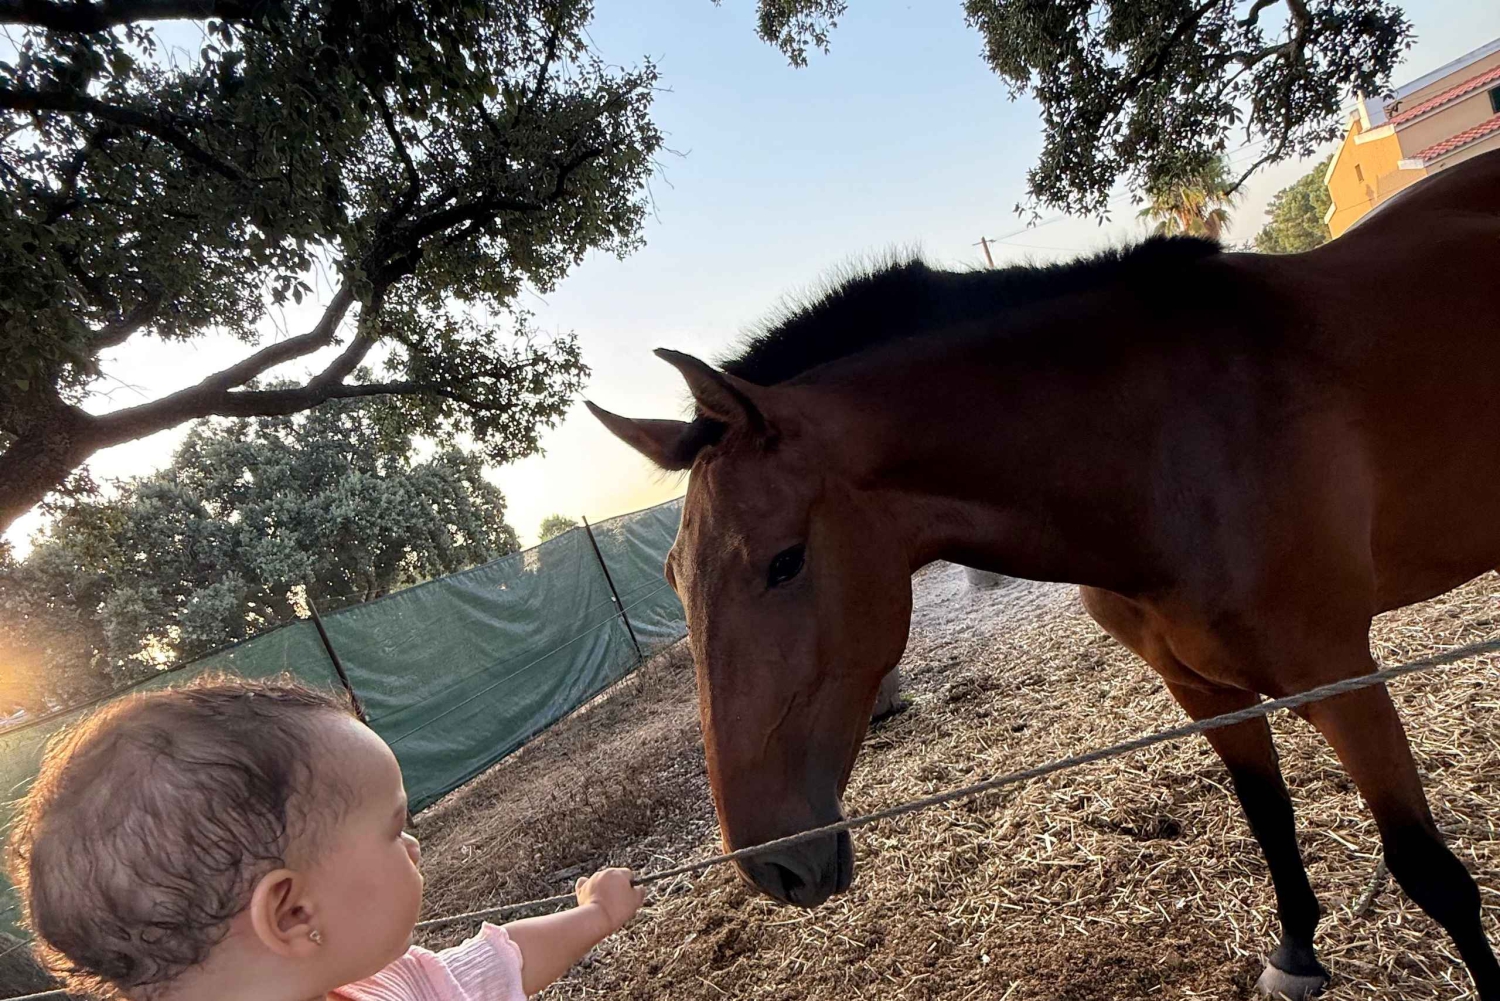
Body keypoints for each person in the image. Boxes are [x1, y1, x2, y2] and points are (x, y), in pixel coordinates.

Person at [5, 677, 644, 1000]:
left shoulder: (363, 985)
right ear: (293, 913)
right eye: (396, 829)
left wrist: (596, 915)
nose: (413, 848)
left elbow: (482, 971)